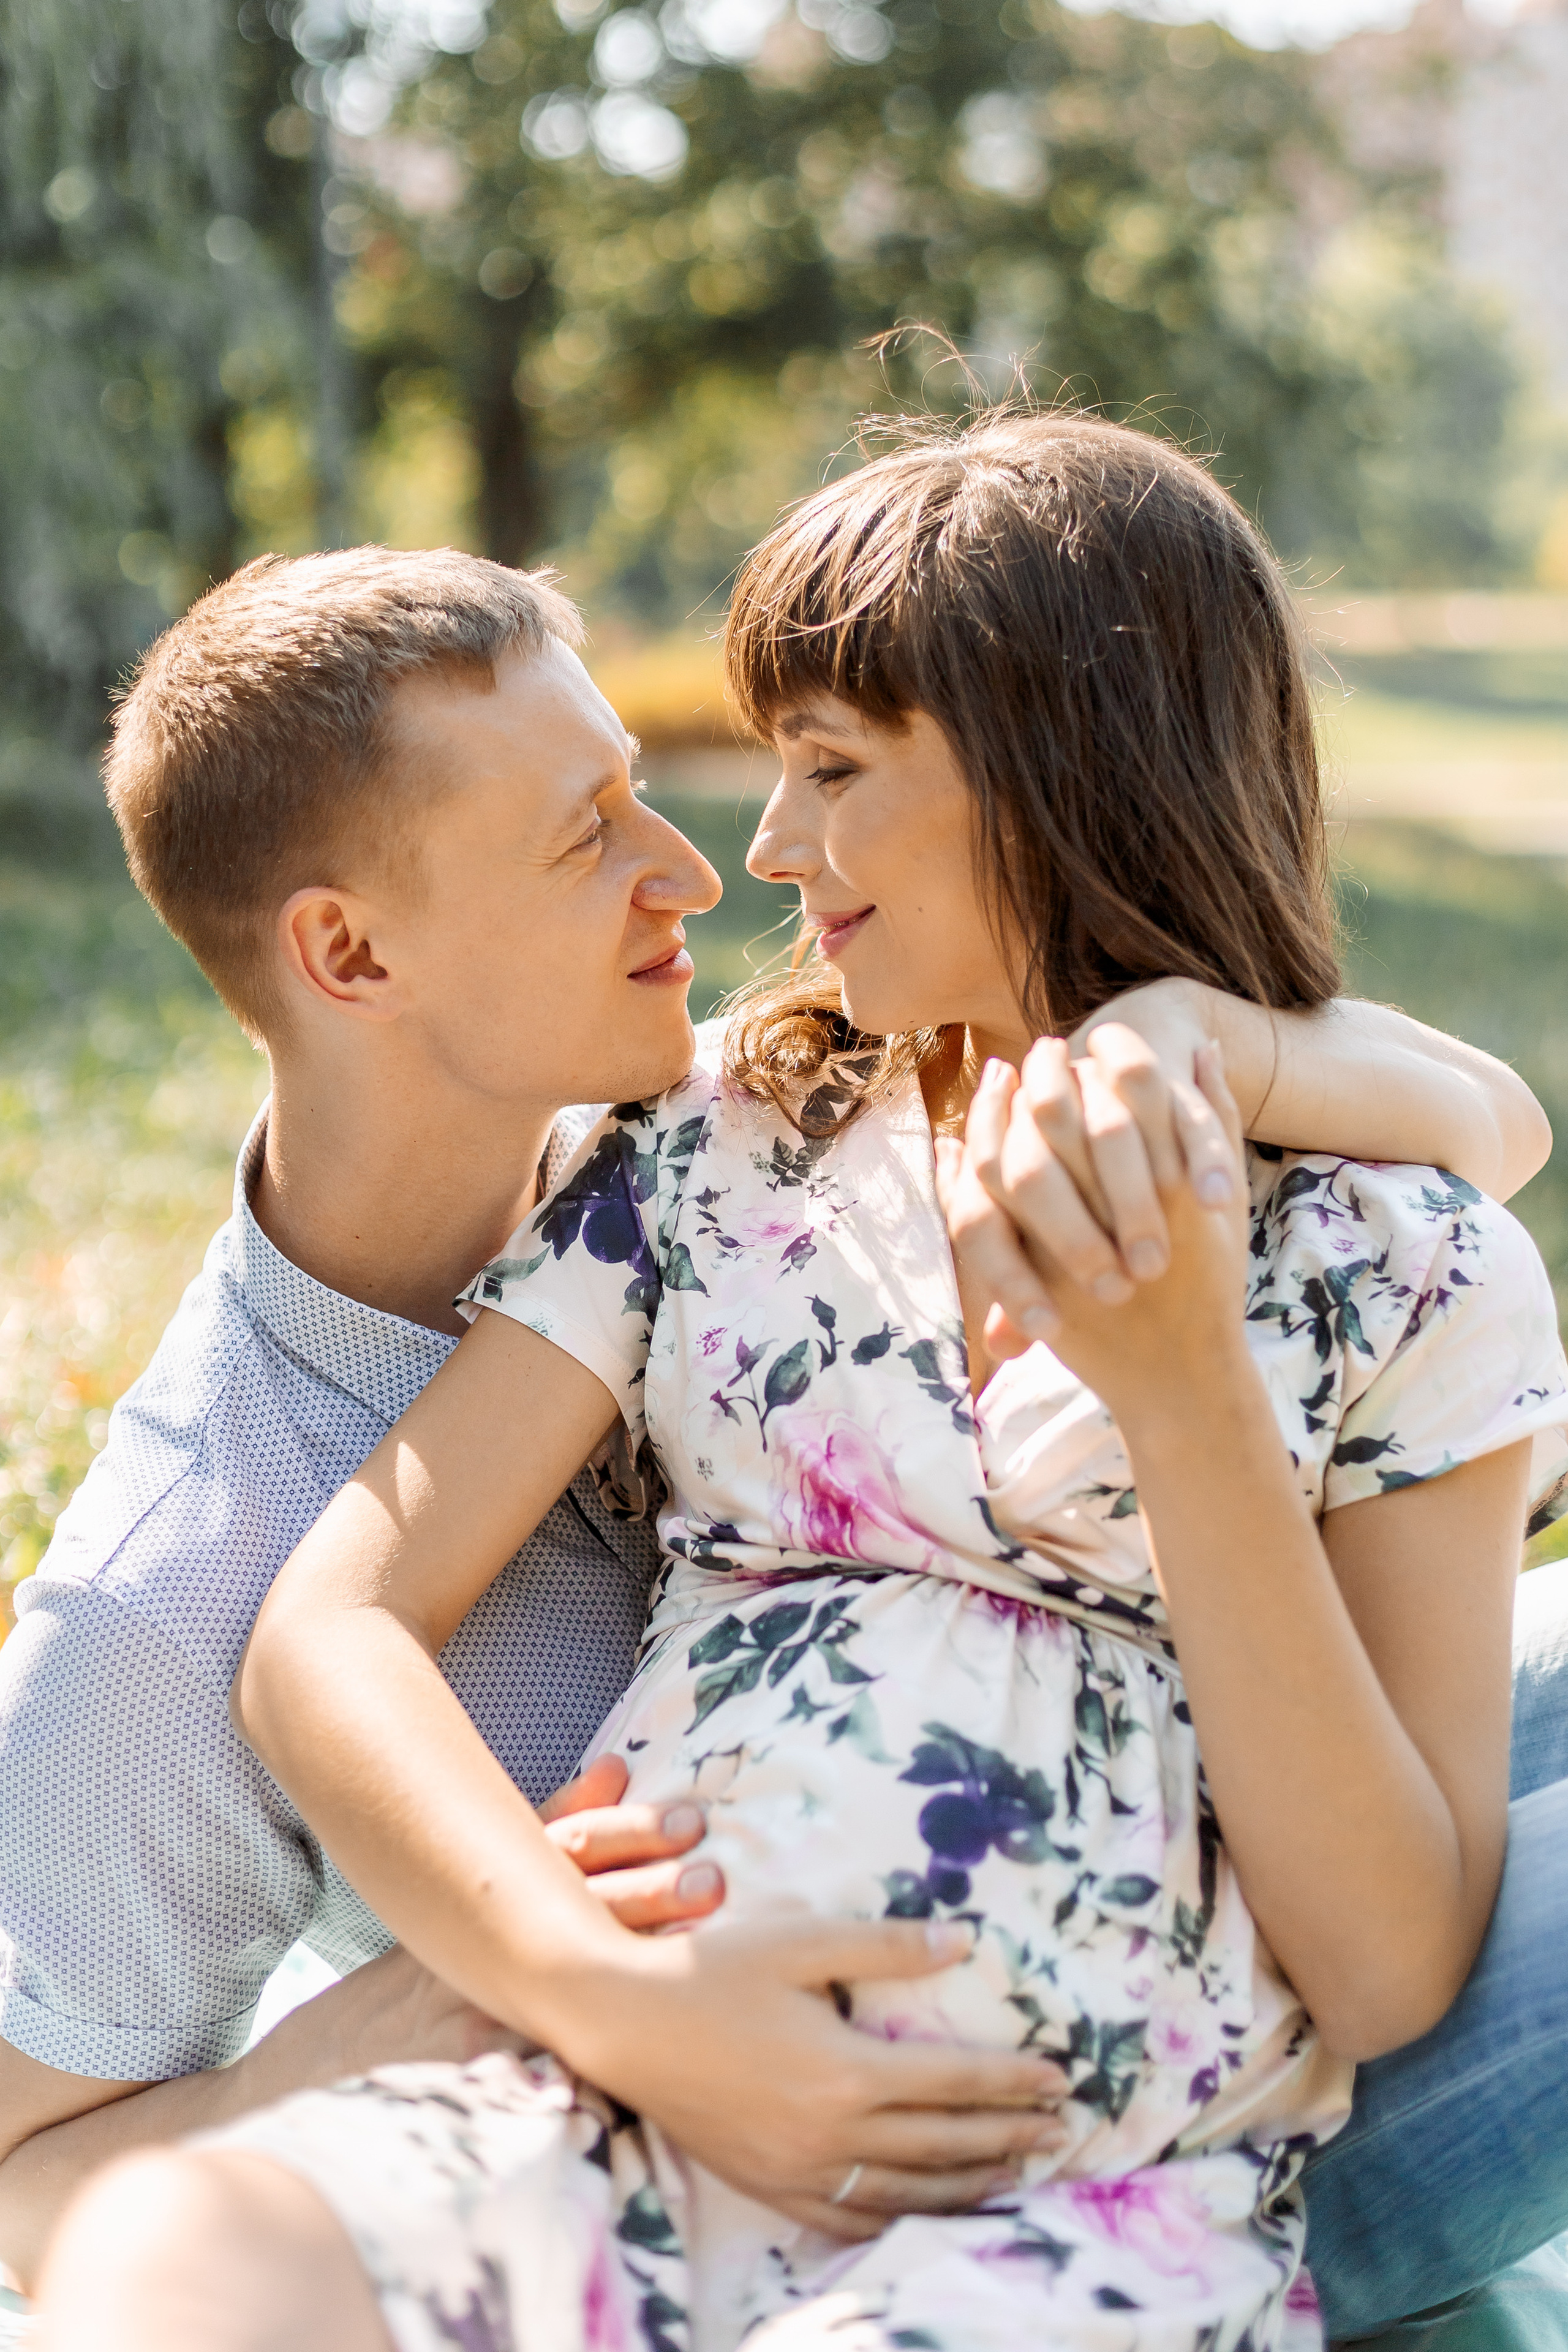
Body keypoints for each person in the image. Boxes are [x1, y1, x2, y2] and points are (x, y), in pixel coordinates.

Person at [41, 413, 1568, 2352]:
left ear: (1059, 776)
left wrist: (1191, 1349)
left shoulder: (1392, 1258)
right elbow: (325, 1632)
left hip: (1075, 2189)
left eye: (828, 769)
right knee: (188, 2266)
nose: (747, 853)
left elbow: (1386, 1967)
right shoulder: (724, 1145)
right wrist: (598, 1997)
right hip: (611, 2115)